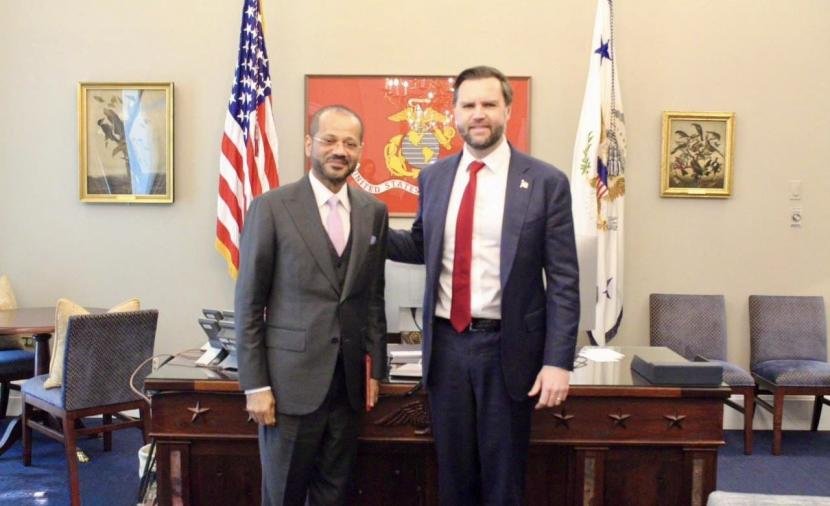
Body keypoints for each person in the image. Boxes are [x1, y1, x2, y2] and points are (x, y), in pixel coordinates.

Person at [388, 66, 580, 505]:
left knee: (502, 480)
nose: (479, 114)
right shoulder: (434, 177)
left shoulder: (545, 182)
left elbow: (565, 281)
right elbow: (422, 245)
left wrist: (558, 361)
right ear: (454, 113)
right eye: (469, 104)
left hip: (507, 351)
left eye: (489, 104)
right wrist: (362, 227)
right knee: (453, 478)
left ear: (507, 110)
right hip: (446, 350)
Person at [235, 105, 388, 506]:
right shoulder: (272, 207)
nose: (339, 150)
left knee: (333, 495)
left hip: (348, 387)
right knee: (283, 494)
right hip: (289, 387)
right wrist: (255, 385)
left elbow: (373, 297)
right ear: (309, 144)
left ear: (360, 150)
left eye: (350, 143)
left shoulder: (374, 212)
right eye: (329, 140)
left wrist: (375, 368)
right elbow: (249, 303)